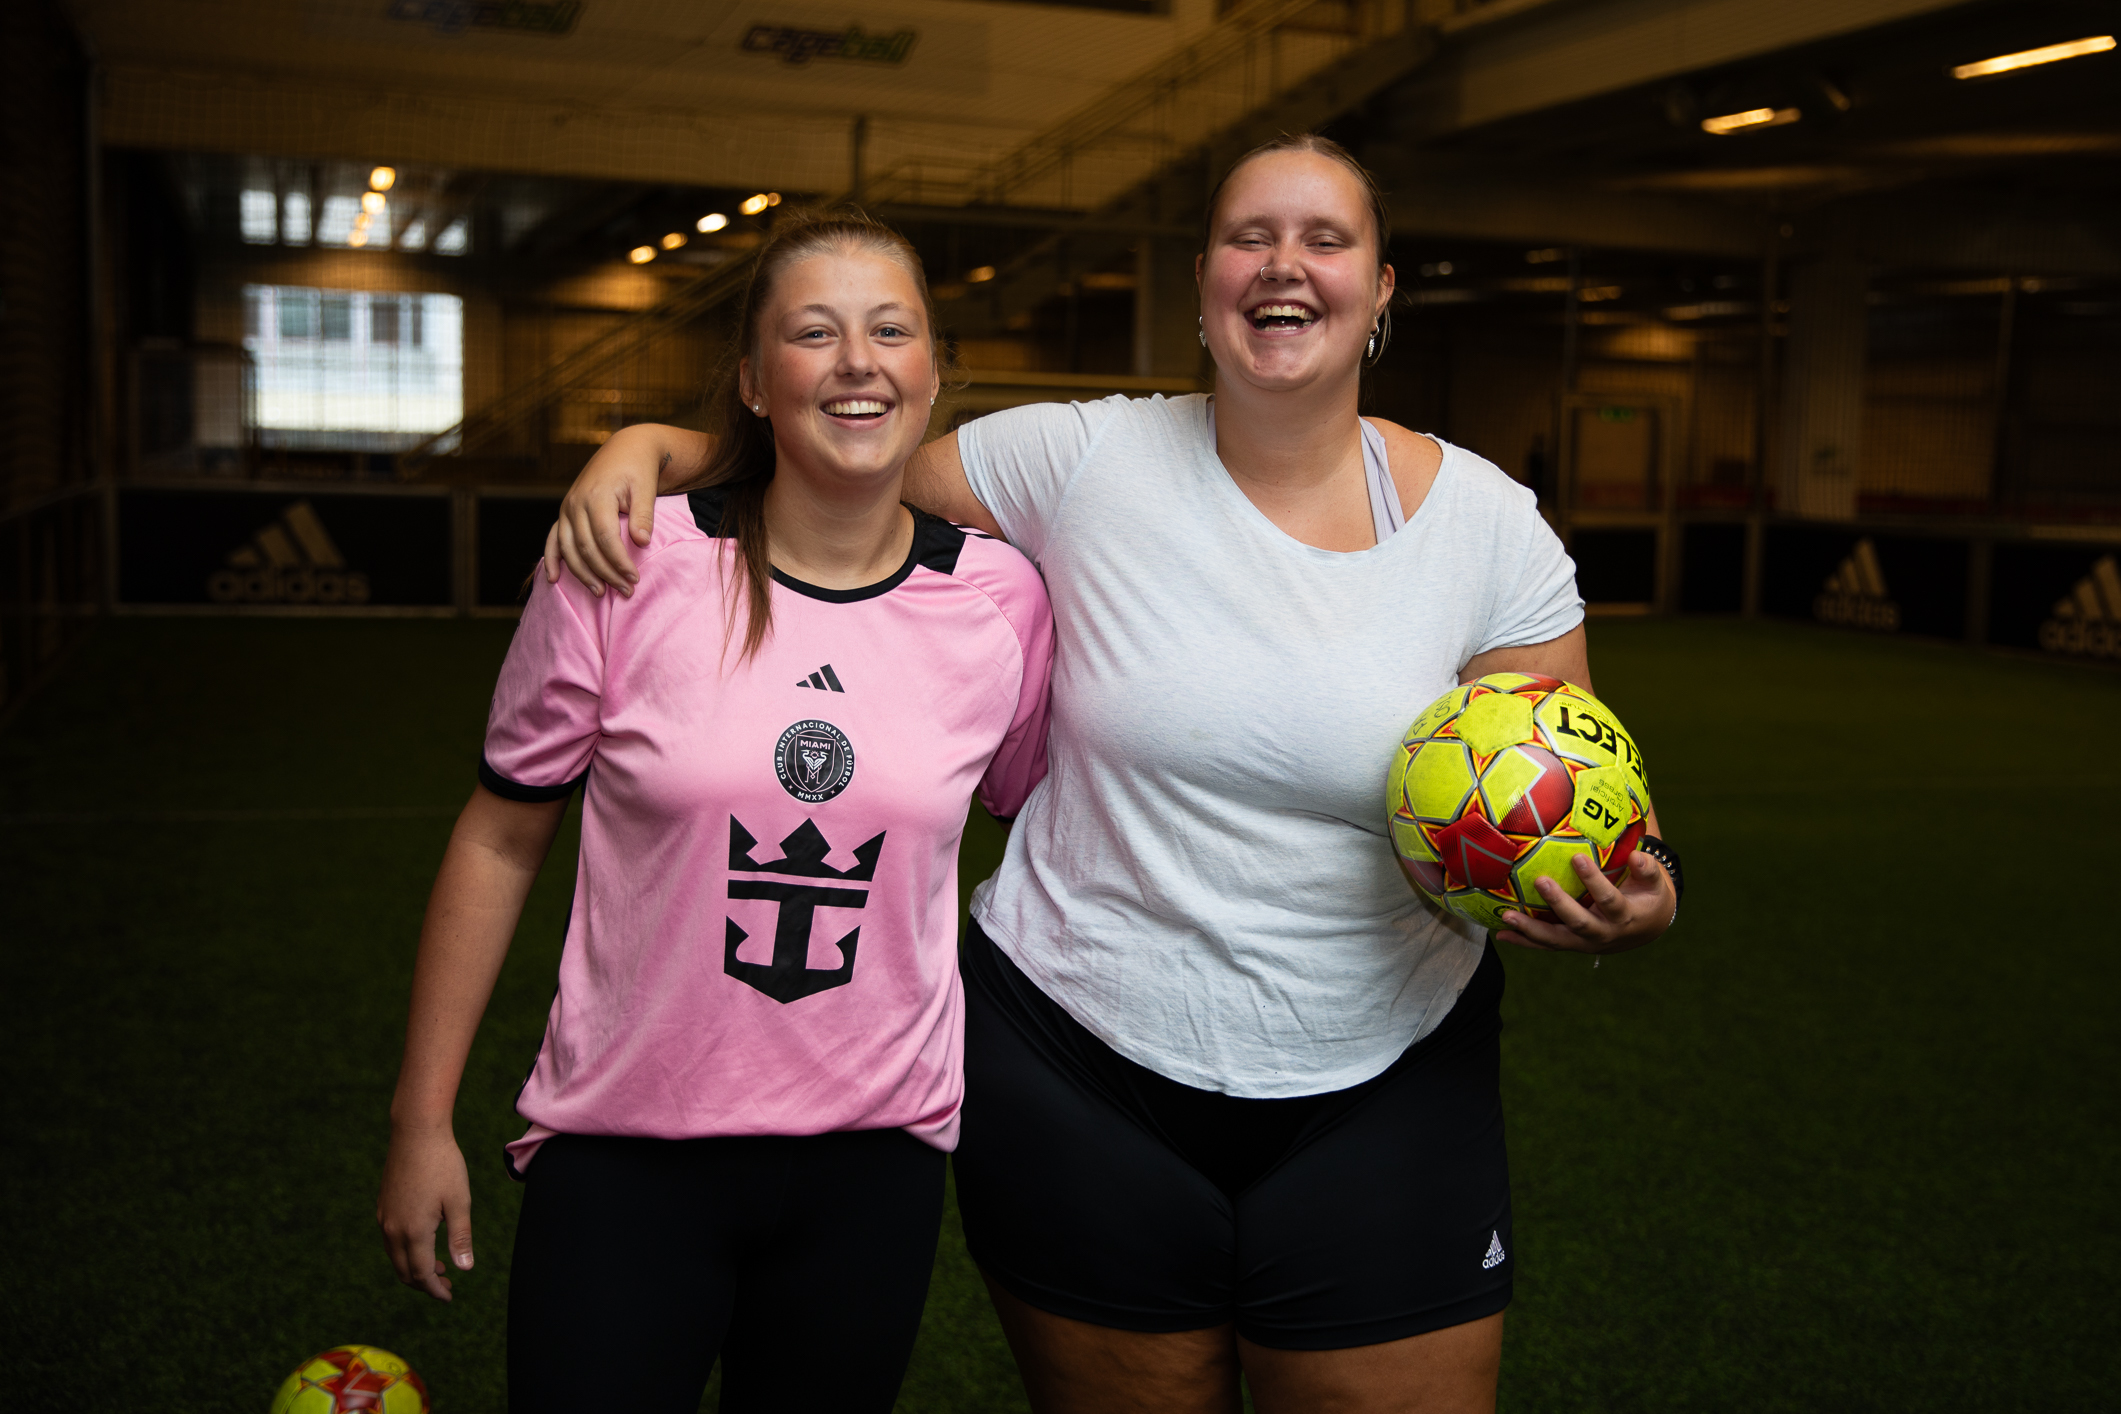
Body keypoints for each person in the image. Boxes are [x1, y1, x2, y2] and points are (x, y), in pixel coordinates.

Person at [544, 136, 1681, 1414]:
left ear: (1381, 286)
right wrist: (655, 444)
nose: (1284, 267)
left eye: (1325, 240)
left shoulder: (1487, 525)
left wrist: (1644, 892)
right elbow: (839, 464)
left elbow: (1581, 780)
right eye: (1251, 238)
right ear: (1202, 284)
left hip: (1388, 1081)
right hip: (1083, 1073)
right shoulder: (1078, 459)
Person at [375, 213, 1054, 1414]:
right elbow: (500, 832)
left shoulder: (1000, 602)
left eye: (890, 329)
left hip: (873, 1166)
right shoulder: (628, 560)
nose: (858, 360)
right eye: (814, 332)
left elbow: (1046, 815)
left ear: (933, 372)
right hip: (626, 1153)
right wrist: (421, 1116)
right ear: (754, 380)